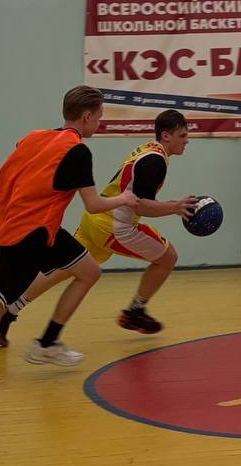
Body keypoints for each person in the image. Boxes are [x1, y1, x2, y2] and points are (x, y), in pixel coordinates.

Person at [0, 86, 137, 370]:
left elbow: (10, 176)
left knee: (89, 271)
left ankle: (47, 343)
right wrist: (124, 198)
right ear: (87, 116)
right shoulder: (77, 151)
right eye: (99, 117)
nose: (99, 123)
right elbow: (93, 204)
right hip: (29, 237)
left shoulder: (35, 138)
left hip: (38, 227)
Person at [66, 109, 196, 335]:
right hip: (114, 225)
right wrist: (175, 207)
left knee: (63, 267)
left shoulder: (149, 149)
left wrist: (172, 205)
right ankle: (135, 311)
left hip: (95, 219)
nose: (187, 141)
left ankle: (9, 309)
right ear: (166, 136)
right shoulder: (155, 161)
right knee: (168, 258)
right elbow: (141, 206)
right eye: (183, 135)